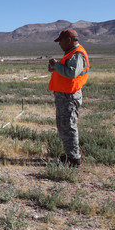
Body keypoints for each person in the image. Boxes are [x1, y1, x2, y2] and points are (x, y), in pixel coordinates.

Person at [48, 29, 90, 167]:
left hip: (69, 96)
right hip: (64, 95)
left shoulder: (77, 54)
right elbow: (65, 71)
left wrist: (57, 65)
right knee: (64, 126)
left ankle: (74, 159)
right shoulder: (70, 54)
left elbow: (71, 73)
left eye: (61, 41)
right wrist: (55, 67)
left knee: (69, 126)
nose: (59, 44)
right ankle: (70, 155)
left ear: (69, 40)